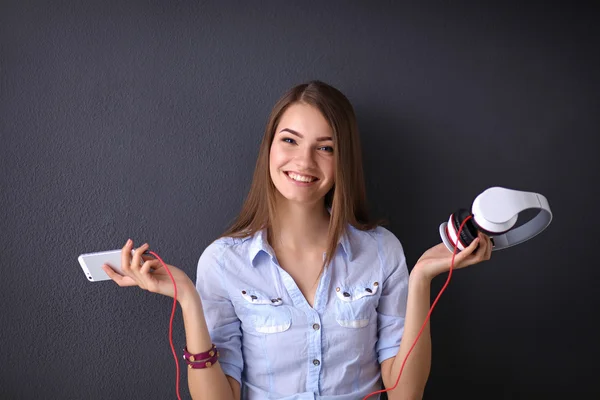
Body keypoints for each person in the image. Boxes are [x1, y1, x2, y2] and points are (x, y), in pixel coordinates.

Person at [103, 80, 493, 399]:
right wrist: (187, 296)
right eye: (290, 140)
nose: (304, 162)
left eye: (325, 148)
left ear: (344, 160)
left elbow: (405, 395)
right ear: (269, 147)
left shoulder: (382, 251)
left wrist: (422, 276)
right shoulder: (223, 263)